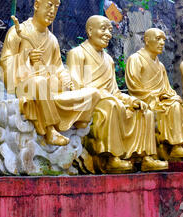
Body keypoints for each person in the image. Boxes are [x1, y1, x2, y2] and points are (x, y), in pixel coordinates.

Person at [0, 0, 102, 146]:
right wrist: (25, 59)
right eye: (49, 5)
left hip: (51, 89)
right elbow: (6, 63)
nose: (53, 11)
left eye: (56, 7)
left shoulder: (53, 40)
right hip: (27, 85)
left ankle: (78, 116)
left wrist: (65, 76)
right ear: (36, 5)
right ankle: (50, 130)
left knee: (93, 92)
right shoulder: (18, 32)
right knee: (39, 83)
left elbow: (59, 67)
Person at [67, 16, 167, 172]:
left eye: (110, 30)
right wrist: (103, 97)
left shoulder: (108, 60)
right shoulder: (78, 54)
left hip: (111, 101)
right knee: (112, 105)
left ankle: (144, 157)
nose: (108, 34)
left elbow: (114, 91)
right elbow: (78, 87)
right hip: (91, 104)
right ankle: (110, 158)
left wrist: (130, 100)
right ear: (90, 30)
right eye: (103, 29)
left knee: (143, 110)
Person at [125, 28, 183, 161]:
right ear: (147, 40)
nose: (162, 43)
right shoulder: (135, 59)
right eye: (158, 39)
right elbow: (134, 87)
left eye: (164, 40)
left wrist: (172, 95)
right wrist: (158, 96)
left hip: (163, 101)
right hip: (148, 101)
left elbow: (167, 88)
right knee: (174, 107)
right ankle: (176, 146)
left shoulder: (160, 65)